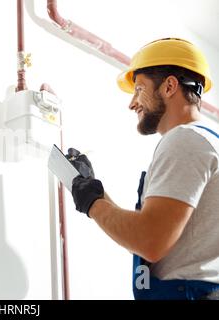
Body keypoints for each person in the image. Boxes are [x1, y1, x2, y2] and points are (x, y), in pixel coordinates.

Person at [68, 38, 219, 300]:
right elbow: (150, 239)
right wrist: (94, 190)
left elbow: (150, 242)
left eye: (139, 89)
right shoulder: (204, 141)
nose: (132, 102)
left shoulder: (185, 140)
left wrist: (92, 202)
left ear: (170, 86)